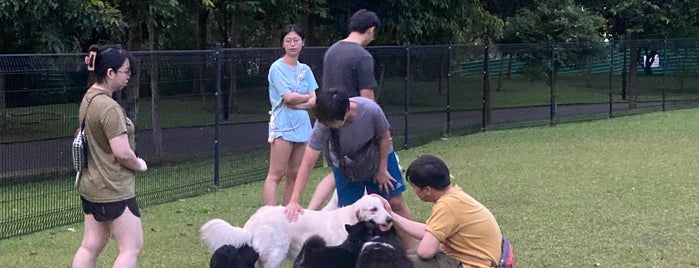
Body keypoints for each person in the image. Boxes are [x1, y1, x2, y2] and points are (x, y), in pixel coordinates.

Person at [284, 89, 414, 248]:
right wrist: (294, 200)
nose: (327, 126)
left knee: (395, 202)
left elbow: (386, 137)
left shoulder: (370, 109)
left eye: (331, 123)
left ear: (346, 111)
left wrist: (382, 169)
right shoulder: (324, 122)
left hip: (378, 156)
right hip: (346, 166)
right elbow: (307, 162)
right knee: (350, 214)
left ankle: (409, 252)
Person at [73, 44, 148, 268]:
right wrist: (139, 164)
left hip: (91, 187)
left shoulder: (89, 98)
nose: (129, 76)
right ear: (110, 73)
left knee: (91, 245)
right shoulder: (109, 108)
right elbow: (122, 152)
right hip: (114, 189)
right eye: (126, 71)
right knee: (131, 247)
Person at [306, 8, 382, 210]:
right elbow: (367, 97)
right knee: (365, 183)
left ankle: (313, 211)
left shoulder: (332, 51)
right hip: (353, 124)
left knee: (337, 174)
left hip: (332, 124)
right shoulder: (363, 56)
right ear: (371, 30)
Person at [374, 155, 503, 268]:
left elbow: (425, 252)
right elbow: (430, 230)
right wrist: (390, 214)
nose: (414, 192)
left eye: (414, 187)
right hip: (474, 259)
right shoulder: (454, 196)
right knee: (398, 257)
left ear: (427, 190)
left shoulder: (447, 206)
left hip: (472, 264)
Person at [263, 24, 318, 206]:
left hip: (303, 126)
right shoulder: (276, 68)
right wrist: (303, 99)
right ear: (283, 44)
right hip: (283, 125)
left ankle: (289, 213)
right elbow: (288, 98)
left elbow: (314, 99)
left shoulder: (306, 70)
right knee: (276, 173)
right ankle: (269, 215)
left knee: (295, 173)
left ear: (303, 43)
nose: (292, 44)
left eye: (296, 40)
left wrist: (300, 101)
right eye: (288, 40)